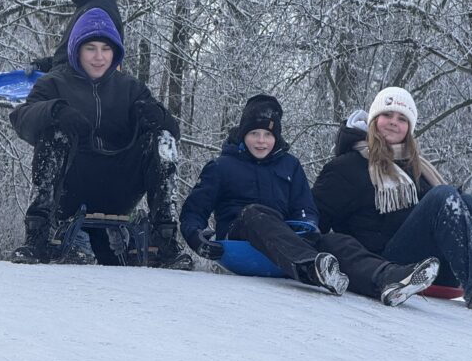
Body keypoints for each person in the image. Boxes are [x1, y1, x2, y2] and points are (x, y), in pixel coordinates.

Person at [180, 95, 440, 306]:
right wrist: (197, 237)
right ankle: (312, 268)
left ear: (276, 137)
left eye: (268, 135)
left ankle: (388, 279)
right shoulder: (222, 166)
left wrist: (308, 226)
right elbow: (194, 210)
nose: (261, 141)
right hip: (241, 237)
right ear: (243, 135)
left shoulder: (289, 166)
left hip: (285, 242)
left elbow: (306, 208)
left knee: (337, 240)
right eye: (255, 134)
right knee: (254, 213)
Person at [312, 87, 472, 321]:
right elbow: (313, 220)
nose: (394, 122)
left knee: (468, 200)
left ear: (410, 129)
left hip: (430, 269)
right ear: (374, 120)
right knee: (443, 196)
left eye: (402, 119)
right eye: (387, 115)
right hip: (383, 266)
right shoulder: (345, 167)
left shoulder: (417, 168)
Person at [10, 8, 183, 266]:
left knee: (163, 140)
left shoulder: (130, 88)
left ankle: (165, 238)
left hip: (121, 184)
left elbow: (172, 133)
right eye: (91, 48)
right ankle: (39, 233)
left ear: (115, 53)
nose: (99, 57)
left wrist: (156, 116)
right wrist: (56, 110)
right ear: (77, 50)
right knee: (54, 132)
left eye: (106, 49)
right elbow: (21, 118)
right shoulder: (54, 83)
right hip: (72, 184)